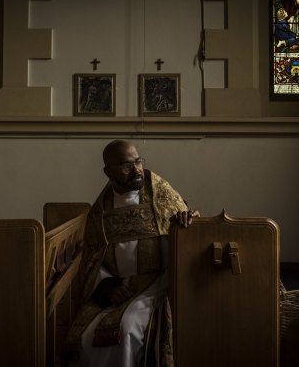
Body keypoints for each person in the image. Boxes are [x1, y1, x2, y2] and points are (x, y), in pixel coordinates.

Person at [65, 139, 199, 367]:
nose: (137, 169)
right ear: (108, 171)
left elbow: (187, 227)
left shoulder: (160, 191)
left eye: (138, 161)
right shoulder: (100, 212)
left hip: (158, 283)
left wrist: (185, 224)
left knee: (125, 332)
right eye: (127, 166)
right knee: (87, 336)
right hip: (121, 287)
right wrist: (109, 286)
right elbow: (91, 260)